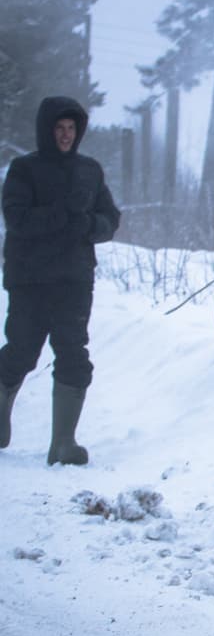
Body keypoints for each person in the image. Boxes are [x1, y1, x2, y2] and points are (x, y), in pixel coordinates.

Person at [0, 95, 121, 465]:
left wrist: (89, 224)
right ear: (46, 129)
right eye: (59, 128)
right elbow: (17, 220)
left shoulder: (90, 170)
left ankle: (63, 444)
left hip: (74, 280)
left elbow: (110, 220)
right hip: (30, 280)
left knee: (73, 353)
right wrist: (63, 212)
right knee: (21, 350)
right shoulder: (24, 169)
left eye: (72, 128)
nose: (66, 135)